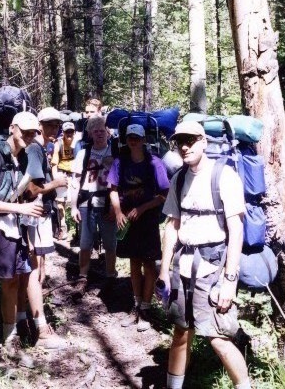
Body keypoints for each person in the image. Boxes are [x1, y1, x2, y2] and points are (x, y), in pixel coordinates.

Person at [158, 121, 252, 389]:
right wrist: (164, 271)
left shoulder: (224, 176)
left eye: (190, 140)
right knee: (180, 333)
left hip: (213, 268)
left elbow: (236, 229)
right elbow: (172, 226)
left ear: (203, 142)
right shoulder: (178, 179)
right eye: (180, 142)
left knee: (219, 338)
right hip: (182, 268)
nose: (184, 146)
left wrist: (229, 280)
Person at [0, 111, 45, 366]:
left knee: (12, 283)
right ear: (12, 128)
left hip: (14, 227)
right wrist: (21, 209)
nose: (28, 136)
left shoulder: (23, 158)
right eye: (24, 131)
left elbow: (23, 190)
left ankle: (11, 340)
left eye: (33, 132)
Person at [108, 124, 169, 331]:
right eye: (130, 137)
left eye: (137, 137)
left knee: (149, 262)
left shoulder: (155, 163)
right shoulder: (120, 162)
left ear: (143, 140)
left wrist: (142, 208)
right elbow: (113, 190)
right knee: (134, 262)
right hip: (127, 220)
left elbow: (163, 195)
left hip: (148, 219)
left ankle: (146, 308)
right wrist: (117, 212)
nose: (133, 141)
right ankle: (136, 305)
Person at [16, 107, 68, 350]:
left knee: (36, 270)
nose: (54, 130)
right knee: (34, 271)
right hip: (34, 216)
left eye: (57, 125)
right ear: (39, 125)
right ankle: (35, 325)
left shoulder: (44, 148)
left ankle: (25, 321)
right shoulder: (35, 149)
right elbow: (32, 190)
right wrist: (56, 183)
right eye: (49, 125)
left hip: (40, 216)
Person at [70, 115, 117, 279]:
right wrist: (73, 206)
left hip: (108, 203)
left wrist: (116, 208)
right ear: (90, 133)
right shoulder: (83, 154)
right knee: (85, 243)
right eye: (95, 131)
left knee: (110, 243)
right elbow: (75, 181)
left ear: (108, 132)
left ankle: (111, 274)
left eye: (102, 130)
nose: (99, 134)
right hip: (86, 203)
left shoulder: (115, 152)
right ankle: (83, 275)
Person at [51, 121, 77, 239]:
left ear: (74, 132)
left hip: (75, 174)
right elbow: (54, 164)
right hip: (62, 173)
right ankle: (63, 227)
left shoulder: (78, 143)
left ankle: (78, 231)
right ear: (63, 133)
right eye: (67, 132)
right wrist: (56, 178)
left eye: (71, 132)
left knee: (75, 201)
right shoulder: (59, 144)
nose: (69, 134)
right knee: (60, 202)